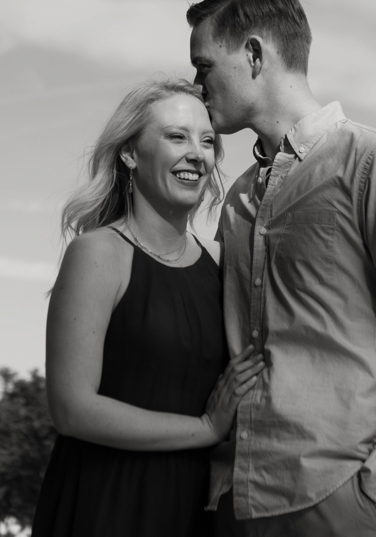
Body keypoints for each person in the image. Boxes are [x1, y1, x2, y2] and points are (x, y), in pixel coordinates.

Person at [186, 0, 376, 536]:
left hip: (342, 498)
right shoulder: (236, 199)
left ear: (255, 54)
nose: (197, 85)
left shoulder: (373, 162)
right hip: (236, 501)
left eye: (204, 66)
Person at [31, 78, 265, 537]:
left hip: (196, 509)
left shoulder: (221, 264)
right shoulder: (98, 254)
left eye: (207, 141)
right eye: (176, 136)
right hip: (107, 504)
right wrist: (205, 428)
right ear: (131, 154)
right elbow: (71, 408)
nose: (197, 154)